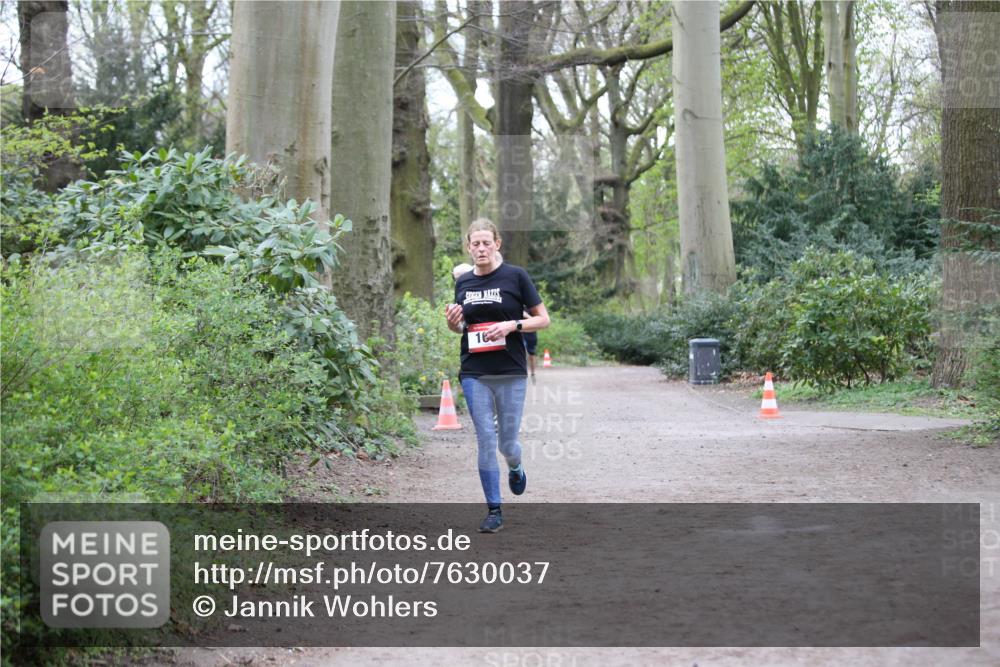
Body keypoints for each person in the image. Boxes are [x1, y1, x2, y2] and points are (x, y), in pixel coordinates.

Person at [445, 219, 550, 533]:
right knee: (486, 440)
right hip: (474, 371)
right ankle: (494, 509)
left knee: (507, 443)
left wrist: (512, 325)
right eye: (475, 244)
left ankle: (515, 466)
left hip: (510, 371)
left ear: (496, 244)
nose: (480, 249)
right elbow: (462, 327)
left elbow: (543, 319)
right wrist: (452, 323)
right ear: (468, 247)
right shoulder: (463, 283)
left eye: (486, 243)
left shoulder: (515, 277)